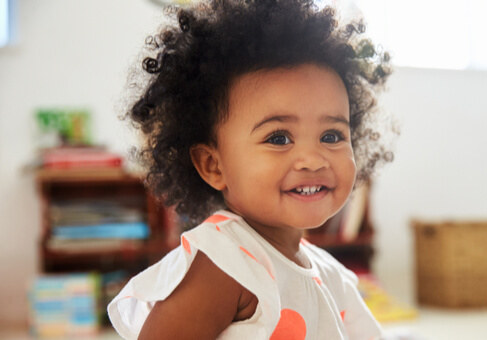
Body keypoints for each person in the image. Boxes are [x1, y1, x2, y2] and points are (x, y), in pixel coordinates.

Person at [108, 0, 394, 339]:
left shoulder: (332, 276)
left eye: (331, 135)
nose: (313, 159)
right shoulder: (224, 264)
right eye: (278, 138)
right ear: (213, 166)